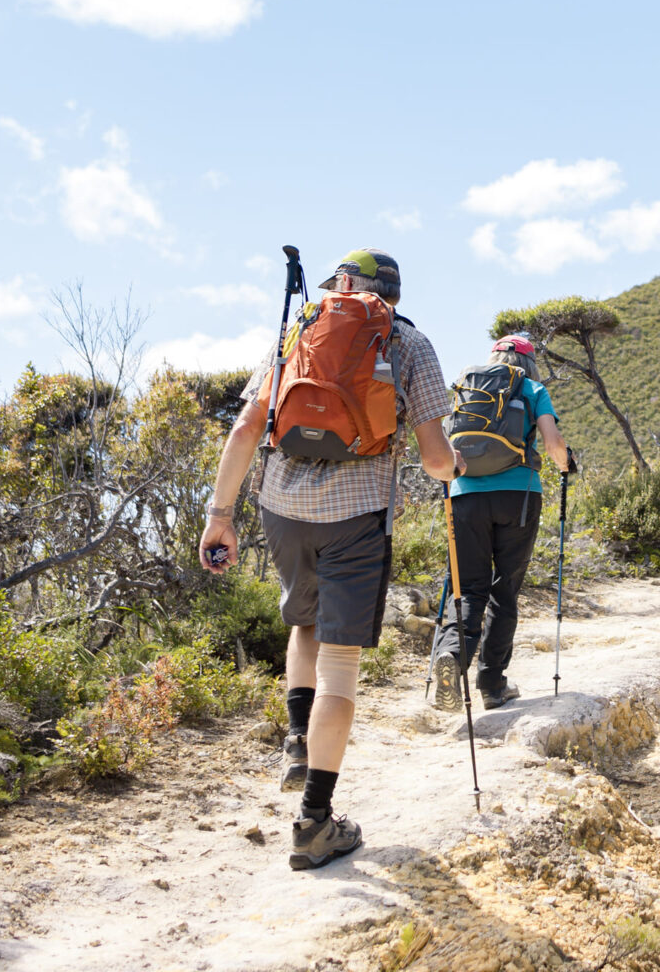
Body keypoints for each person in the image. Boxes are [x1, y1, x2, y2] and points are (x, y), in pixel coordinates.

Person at [198, 248, 462, 871]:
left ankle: (296, 740)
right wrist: (457, 468)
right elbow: (433, 458)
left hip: (280, 510)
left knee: (304, 625)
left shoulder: (300, 327)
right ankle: (315, 822)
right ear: (392, 294)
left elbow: (245, 428)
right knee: (340, 670)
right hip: (356, 519)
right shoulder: (409, 343)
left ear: (341, 284)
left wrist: (219, 516)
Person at [431, 333, 570, 713]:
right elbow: (553, 441)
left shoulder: (467, 387)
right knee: (503, 589)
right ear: (529, 362)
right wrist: (564, 463)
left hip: (464, 495)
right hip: (519, 495)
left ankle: (452, 656)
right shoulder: (532, 388)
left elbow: (444, 439)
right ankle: (492, 684)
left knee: (468, 588)